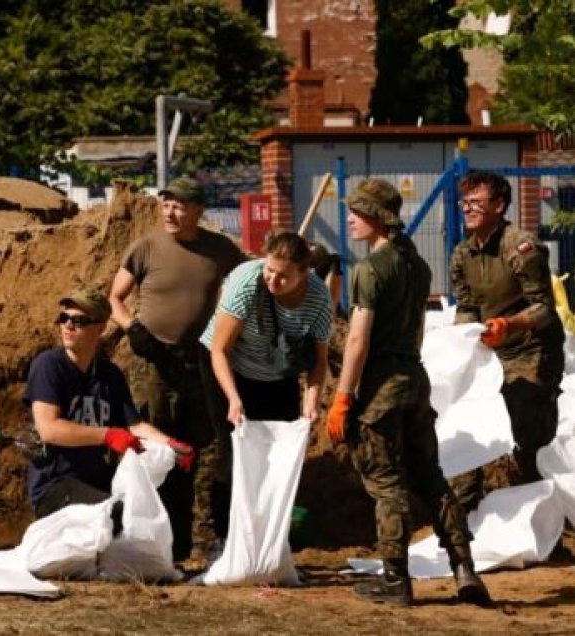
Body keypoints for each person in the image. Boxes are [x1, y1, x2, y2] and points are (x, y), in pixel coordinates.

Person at [326, 178, 490, 607]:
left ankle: (396, 580)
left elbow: (358, 340)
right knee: (431, 478)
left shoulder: (369, 269)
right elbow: (417, 330)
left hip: (380, 387)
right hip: (414, 381)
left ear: (377, 219)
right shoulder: (417, 265)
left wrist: (343, 396)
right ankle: (464, 570)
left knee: (387, 485)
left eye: (356, 213)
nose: (349, 219)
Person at [109, 176, 245, 561]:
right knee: (155, 443)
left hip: (199, 362)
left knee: (205, 447)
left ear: (198, 212)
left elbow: (249, 282)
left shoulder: (219, 250)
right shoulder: (147, 248)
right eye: (166, 204)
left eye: (179, 206)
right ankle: (147, 537)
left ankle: (202, 539)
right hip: (152, 362)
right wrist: (131, 327)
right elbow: (115, 297)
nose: (169, 212)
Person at [200, 231, 332, 542]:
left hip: (278, 374)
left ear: (303, 273)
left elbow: (319, 360)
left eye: (283, 276)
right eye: (269, 270)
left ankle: (270, 537)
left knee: (277, 455)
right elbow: (219, 349)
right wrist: (233, 399)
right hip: (229, 367)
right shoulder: (247, 281)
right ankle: (225, 536)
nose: (272, 280)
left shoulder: (318, 298)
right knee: (233, 450)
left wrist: (311, 401)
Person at [26, 289, 194, 522]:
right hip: (55, 485)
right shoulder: (49, 366)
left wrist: (169, 445)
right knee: (116, 516)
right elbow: (49, 429)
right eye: (64, 318)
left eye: (80, 321)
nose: (68, 326)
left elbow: (133, 425)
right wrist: (106, 435)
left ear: (100, 328)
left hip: (96, 481)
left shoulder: (109, 375)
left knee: (142, 514)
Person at [450, 170, 564, 512]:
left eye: (476, 202)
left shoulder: (521, 246)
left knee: (527, 434)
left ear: (499, 205)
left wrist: (508, 325)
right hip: (492, 352)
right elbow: (467, 307)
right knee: (470, 421)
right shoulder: (462, 254)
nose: (467, 209)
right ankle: (469, 515)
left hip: (533, 349)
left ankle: (541, 521)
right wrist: (461, 343)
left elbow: (543, 308)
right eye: (464, 202)